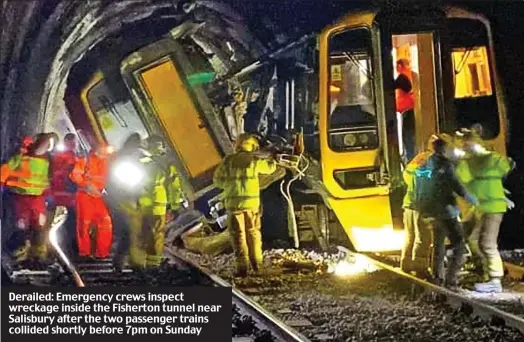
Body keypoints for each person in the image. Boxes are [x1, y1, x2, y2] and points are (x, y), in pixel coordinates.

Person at [411, 134, 478, 287]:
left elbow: (418, 187)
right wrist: (474, 200)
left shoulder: (424, 165)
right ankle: (451, 279)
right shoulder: (446, 165)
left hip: (429, 211)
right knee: (459, 245)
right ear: (444, 149)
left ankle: (437, 276)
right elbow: (458, 187)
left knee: (438, 244)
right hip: (446, 212)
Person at [456, 129, 514, 293]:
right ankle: (485, 273)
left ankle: (495, 280)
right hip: (484, 206)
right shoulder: (475, 160)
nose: (465, 145)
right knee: (474, 240)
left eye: (467, 142)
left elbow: (464, 181)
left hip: (492, 207)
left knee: (487, 243)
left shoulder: (480, 160)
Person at [213, 133, 277, 277]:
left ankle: (242, 268)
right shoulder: (253, 160)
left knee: (238, 237)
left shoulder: (228, 161)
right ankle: (257, 266)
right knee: (253, 234)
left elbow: (217, 181)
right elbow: (270, 169)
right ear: (253, 146)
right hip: (251, 205)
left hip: (234, 205)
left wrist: (229, 186)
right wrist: (273, 157)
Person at [0, 134, 52, 264]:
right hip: (21, 196)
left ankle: (37, 252)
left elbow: (43, 179)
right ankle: (21, 250)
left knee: (39, 223)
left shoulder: (45, 161)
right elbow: (5, 170)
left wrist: (48, 193)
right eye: (44, 144)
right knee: (22, 223)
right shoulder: (21, 158)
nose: (45, 147)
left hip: (37, 197)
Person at [106, 133, 144, 270]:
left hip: (129, 199)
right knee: (127, 231)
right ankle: (120, 262)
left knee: (133, 231)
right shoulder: (120, 159)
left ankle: (132, 261)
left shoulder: (132, 158)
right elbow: (111, 181)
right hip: (121, 199)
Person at [69, 141, 112, 259]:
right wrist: (85, 185)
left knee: (105, 222)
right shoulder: (86, 159)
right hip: (85, 195)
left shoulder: (107, 161)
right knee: (84, 223)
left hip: (98, 195)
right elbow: (75, 175)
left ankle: (101, 252)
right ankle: (85, 252)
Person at [400, 139, 434, 279]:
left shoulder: (419, 157)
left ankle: (406, 264)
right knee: (423, 237)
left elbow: (407, 175)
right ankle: (420, 268)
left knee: (410, 235)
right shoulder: (433, 161)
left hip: (409, 203)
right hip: (422, 204)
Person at [49, 133, 80, 257]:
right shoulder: (65, 157)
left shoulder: (68, 156)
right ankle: (68, 247)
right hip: (63, 193)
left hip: (64, 194)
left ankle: (66, 246)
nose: (73, 144)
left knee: (67, 221)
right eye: (71, 142)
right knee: (68, 221)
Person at [395, 59, 416, 162]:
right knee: (409, 138)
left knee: (407, 138)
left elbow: (390, 88)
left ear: (400, 66)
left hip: (407, 111)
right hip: (409, 110)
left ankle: (410, 160)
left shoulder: (402, 77)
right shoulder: (410, 74)